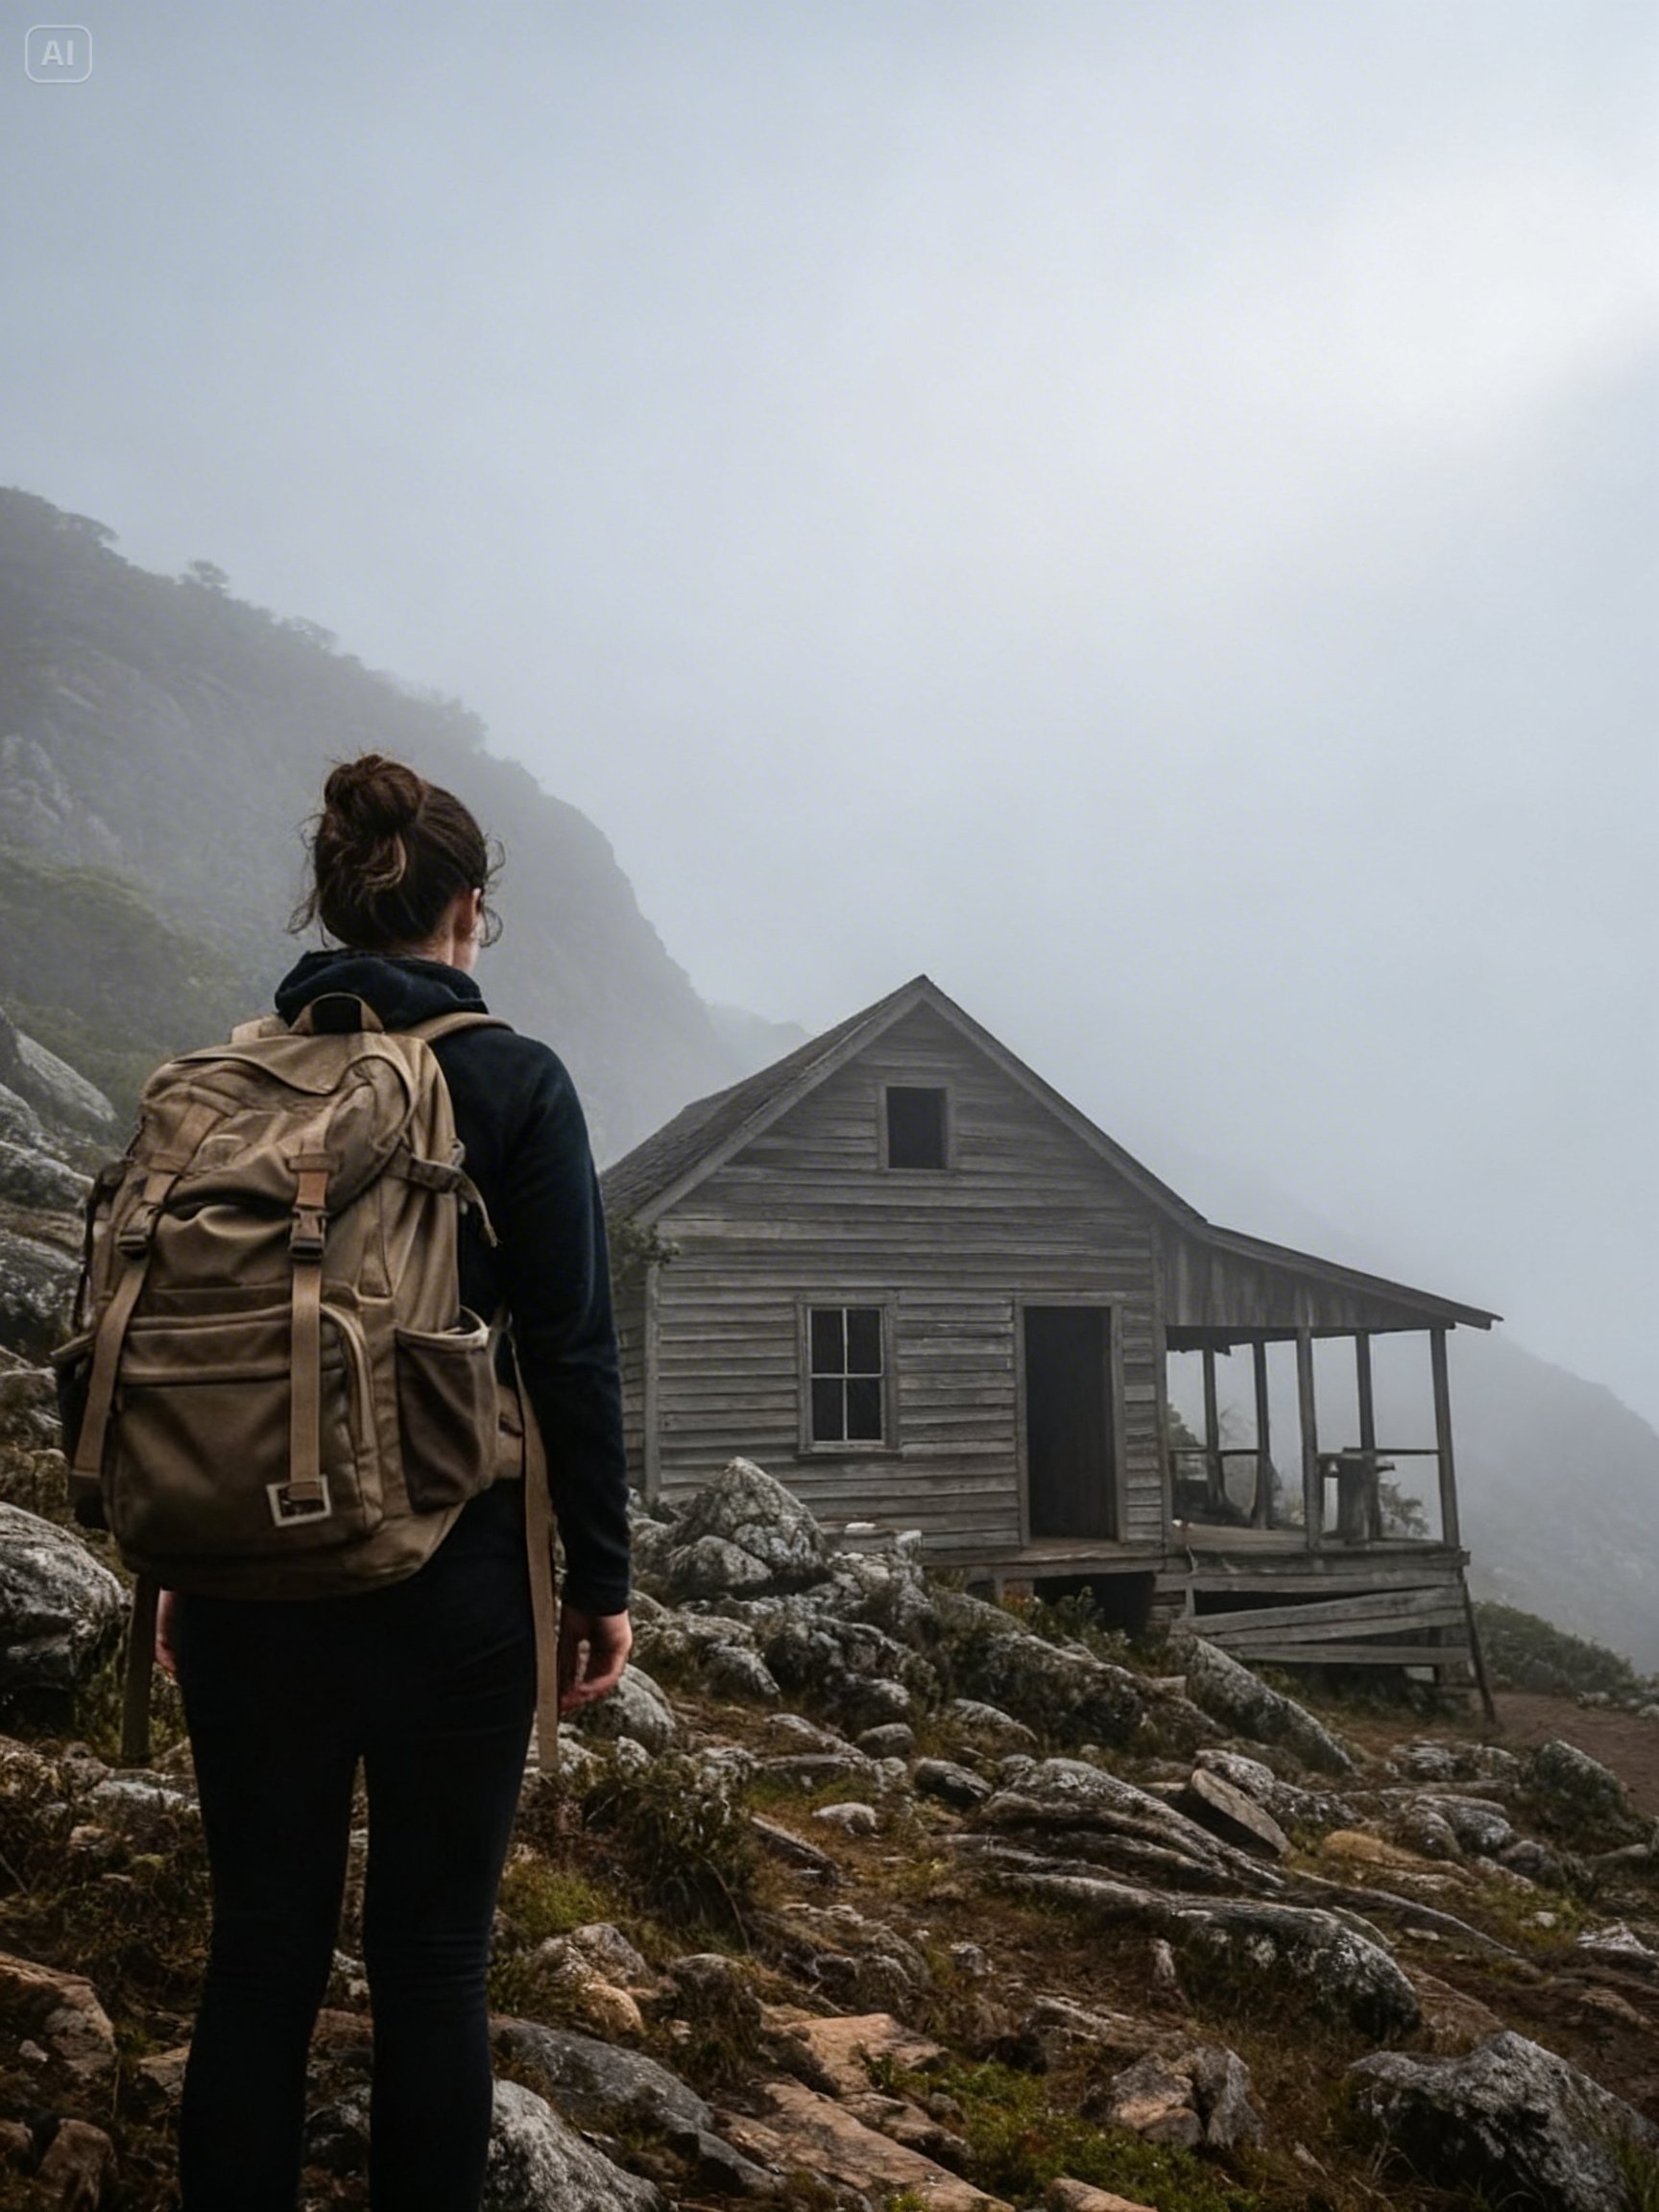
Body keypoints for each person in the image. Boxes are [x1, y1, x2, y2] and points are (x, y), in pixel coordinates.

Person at [156, 753, 633, 2212]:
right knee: (433, 1960)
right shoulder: (512, 1079)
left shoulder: (220, 1086)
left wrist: (181, 1564)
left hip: (241, 1574)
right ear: (469, 912)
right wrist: (600, 1585)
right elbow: (571, 1355)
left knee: (260, 1950)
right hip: (456, 1580)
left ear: (331, 902)